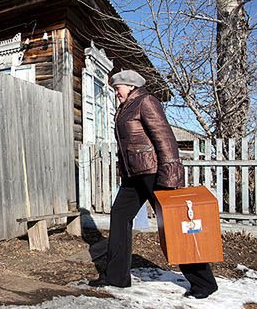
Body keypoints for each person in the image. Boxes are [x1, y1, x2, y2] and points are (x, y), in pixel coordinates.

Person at [89, 70, 218, 299]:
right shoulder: (126, 107)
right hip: (134, 176)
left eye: (117, 87)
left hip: (154, 173)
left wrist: (169, 174)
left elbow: (165, 138)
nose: (115, 92)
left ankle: (204, 283)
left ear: (129, 85)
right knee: (119, 217)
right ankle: (116, 277)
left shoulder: (146, 101)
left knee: (173, 225)